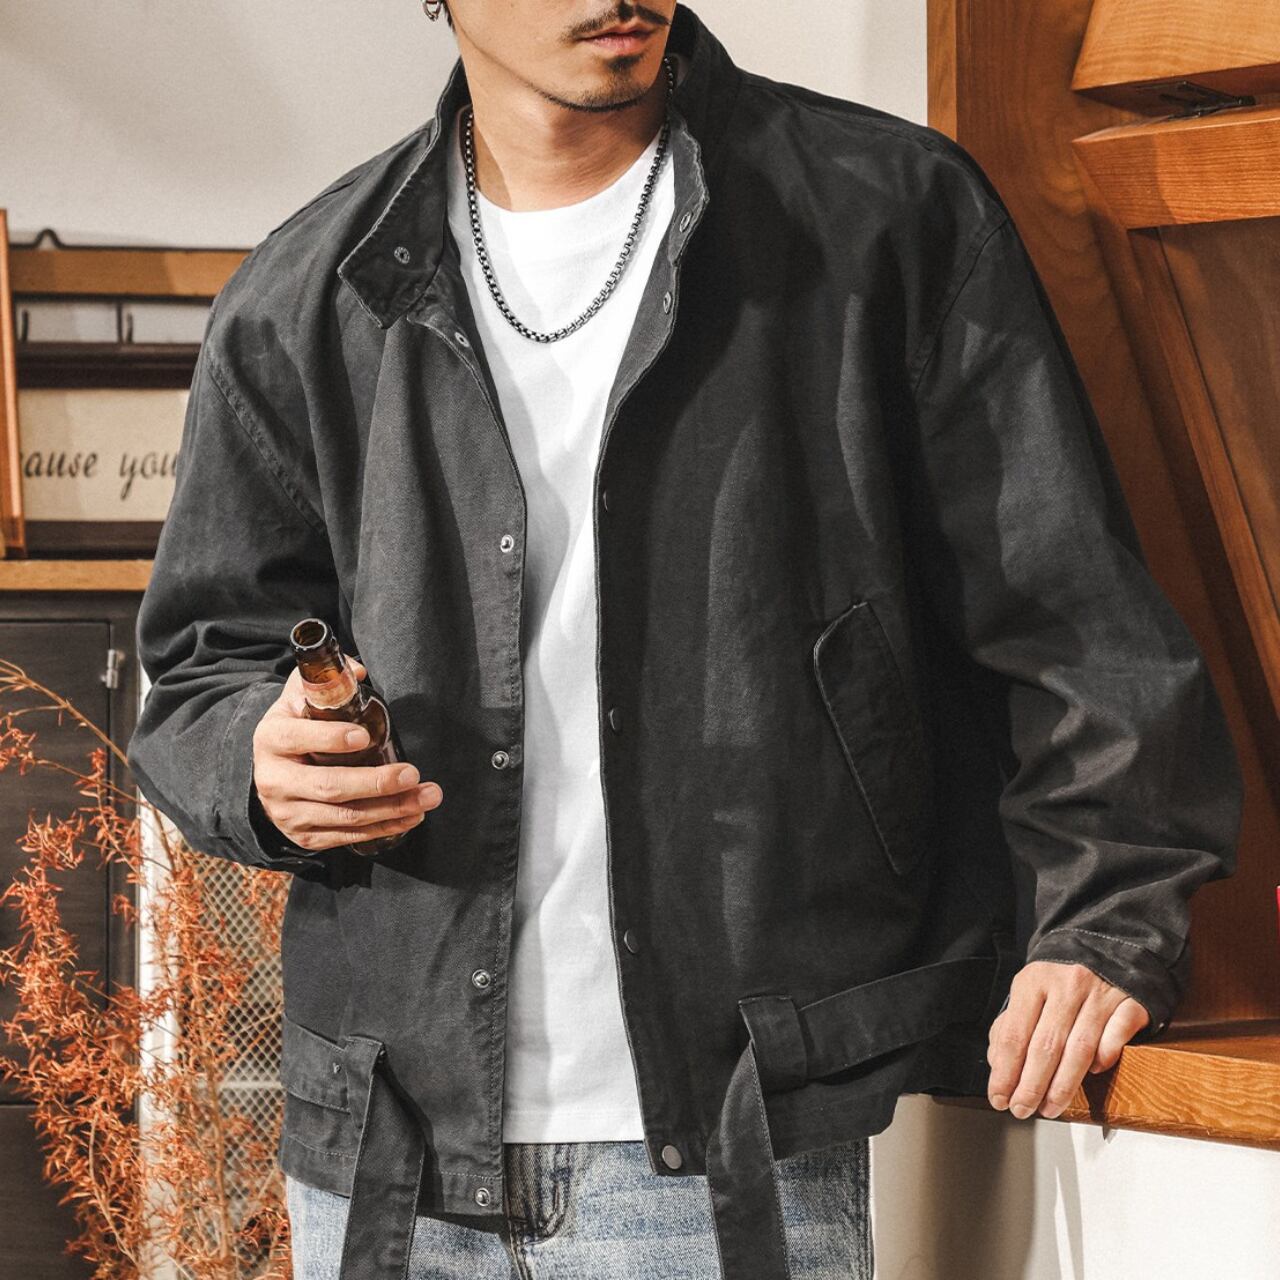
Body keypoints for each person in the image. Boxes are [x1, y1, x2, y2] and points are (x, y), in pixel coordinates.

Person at [125, 3, 1244, 1278]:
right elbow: (203, 666)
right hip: (391, 1150)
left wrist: (1099, 922)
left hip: (749, 1128)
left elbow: (1073, 618)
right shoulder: (308, 287)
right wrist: (262, 764)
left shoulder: (883, 214)